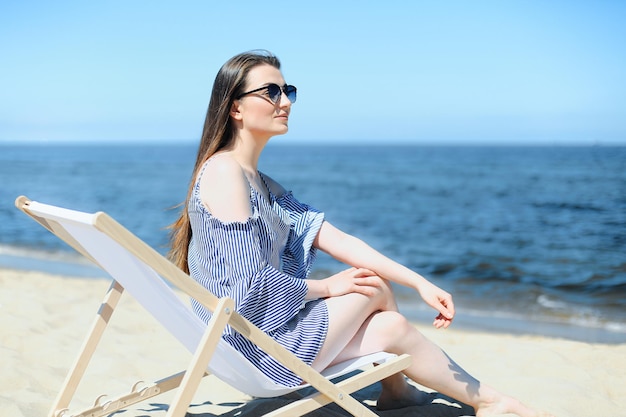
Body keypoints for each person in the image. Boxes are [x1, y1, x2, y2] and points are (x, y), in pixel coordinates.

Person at [169, 50, 548, 417]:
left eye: (289, 92)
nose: (285, 101)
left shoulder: (261, 183)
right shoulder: (225, 173)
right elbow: (247, 289)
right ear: (235, 107)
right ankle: (410, 393)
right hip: (255, 349)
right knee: (370, 286)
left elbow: (341, 241)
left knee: (390, 321)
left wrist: (420, 284)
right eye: (272, 91)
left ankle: (461, 397)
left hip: (255, 339)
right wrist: (328, 287)